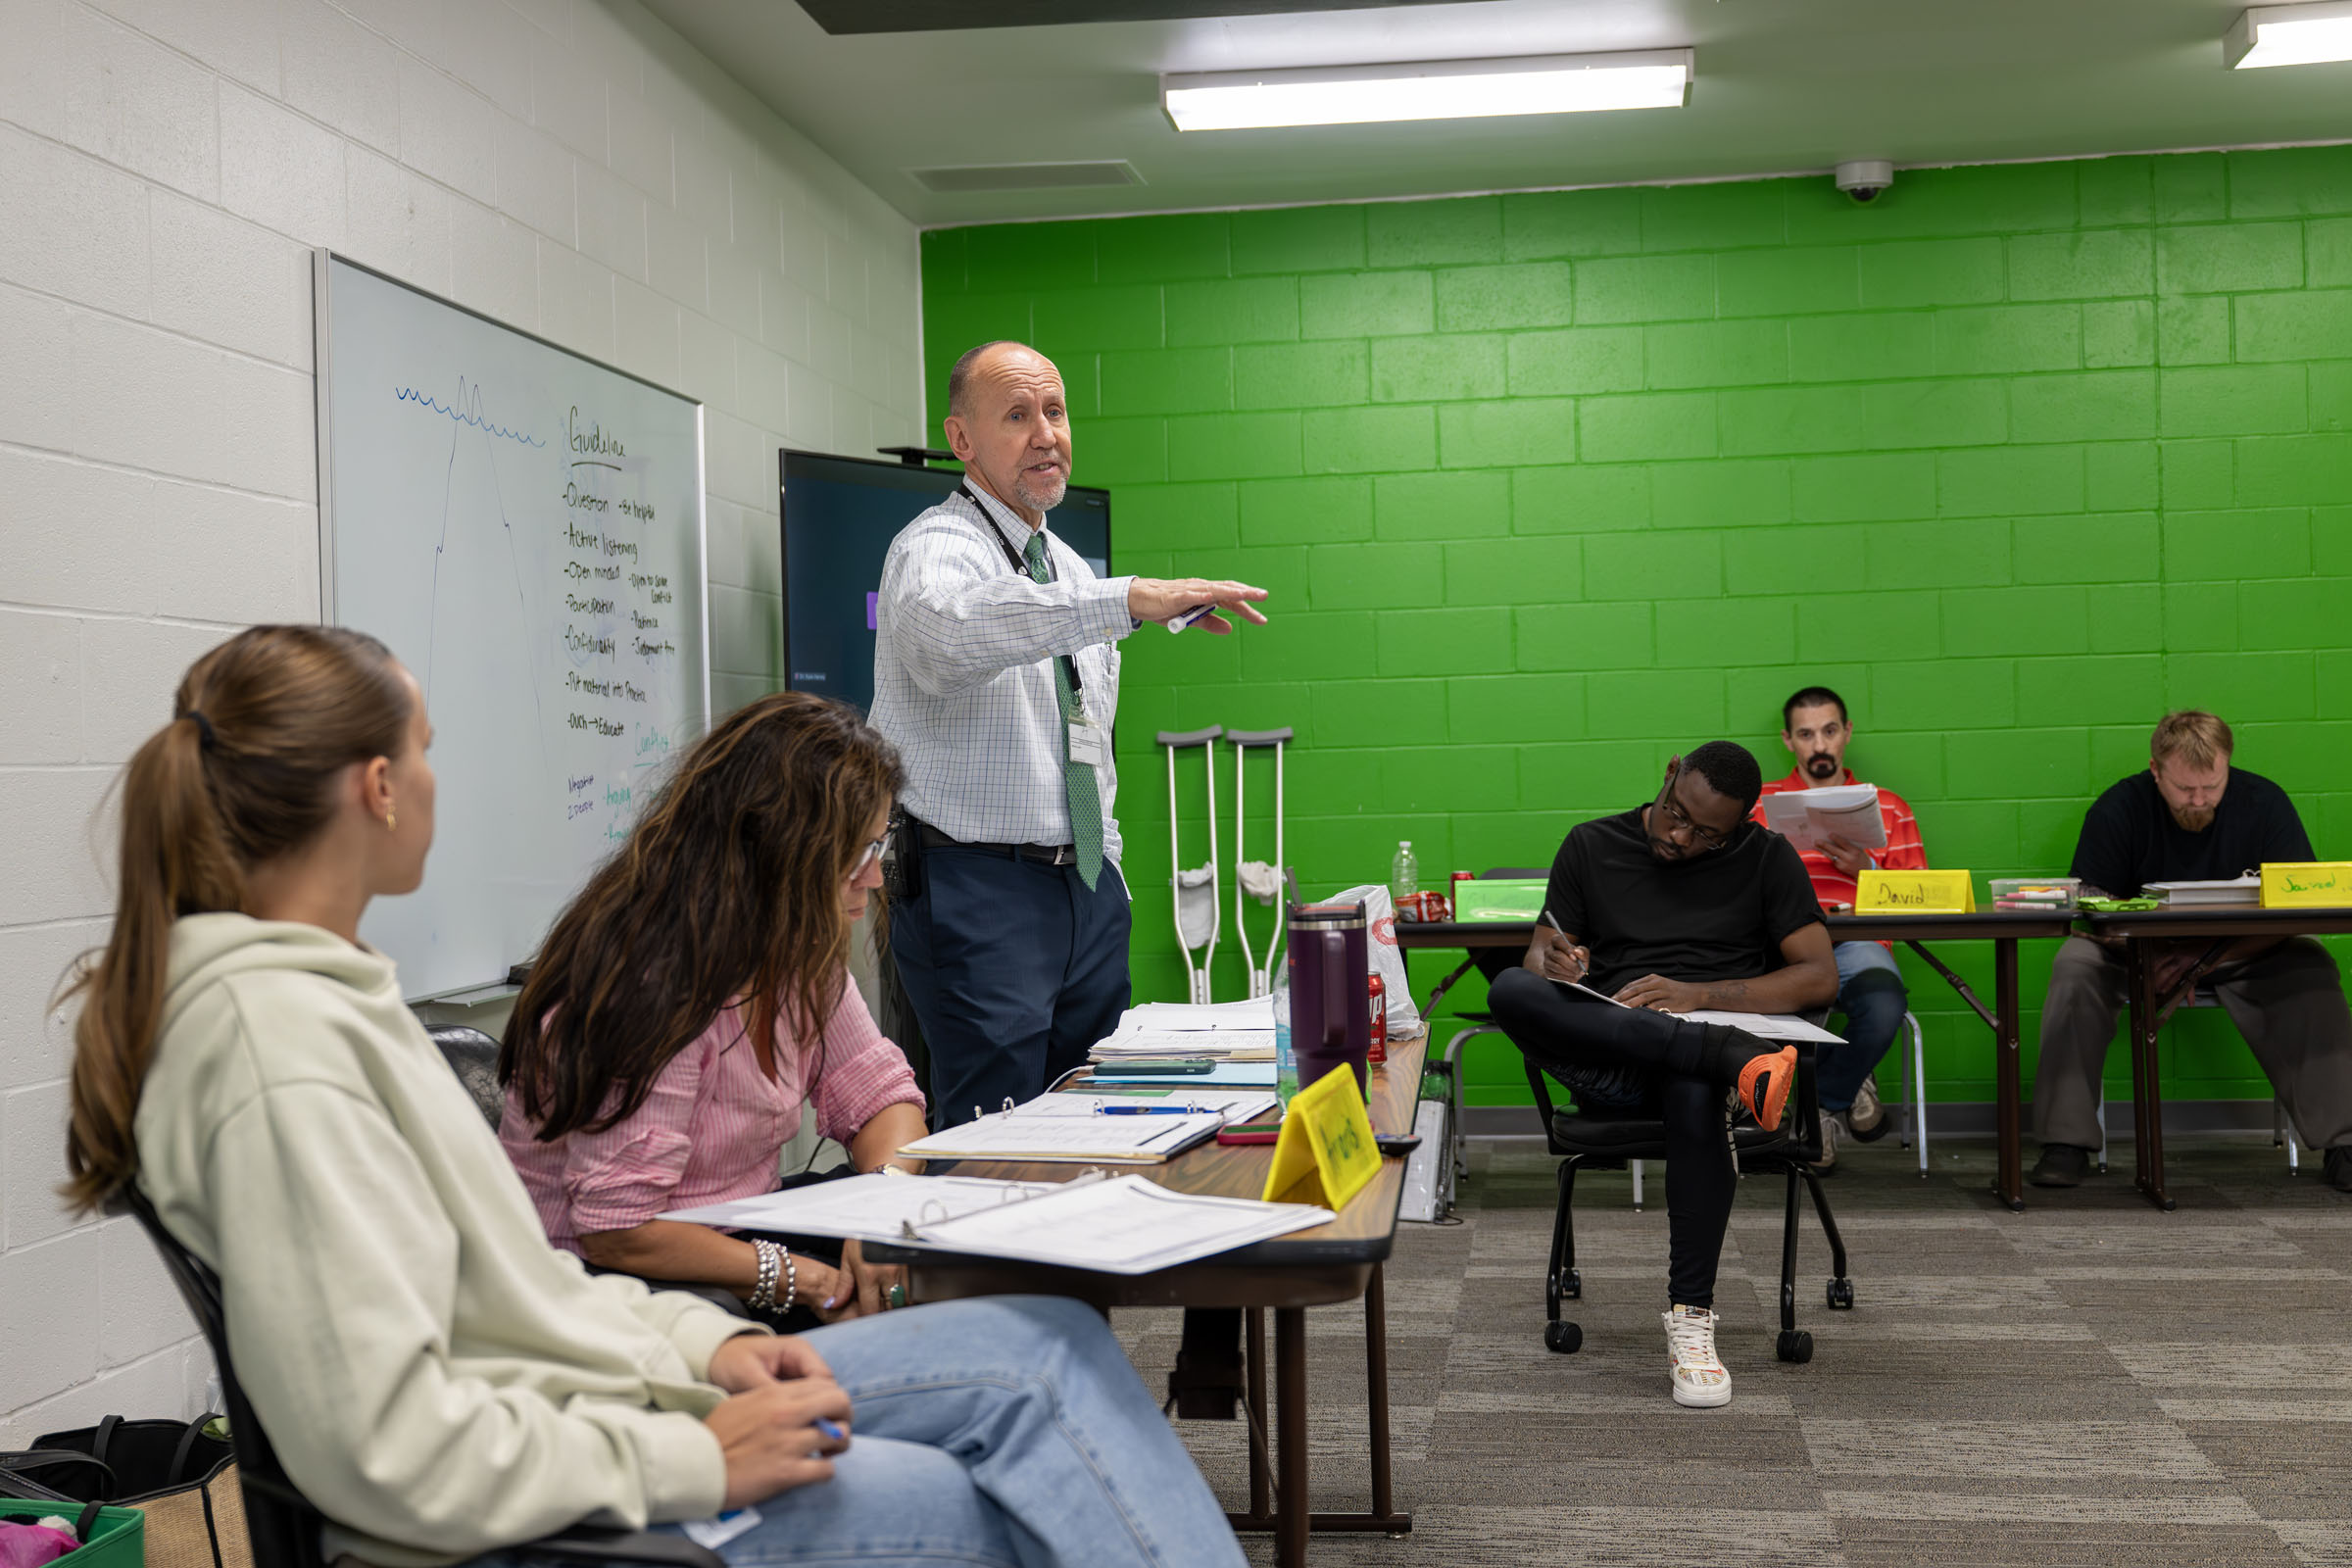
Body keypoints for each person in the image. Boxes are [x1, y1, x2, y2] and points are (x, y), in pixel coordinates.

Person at [61, 624, 1246, 1568]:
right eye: (424, 751)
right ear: (377, 788)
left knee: (1047, 1349)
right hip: (538, 1502)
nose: (433, 779)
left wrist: (710, 1348)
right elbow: (384, 1446)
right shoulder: (276, 1053)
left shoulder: (329, 1004)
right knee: (991, 1485)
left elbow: (521, 1297)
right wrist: (696, 1456)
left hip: (596, 1398)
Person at [870, 339, 1269, 1126]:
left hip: (1083, 885)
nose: (1046, 434)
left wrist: (1106, 873)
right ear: (962, 439)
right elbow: (951, 639)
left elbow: (1088, 740)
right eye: (1018, 416)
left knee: (1091, 1118)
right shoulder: (935, 548)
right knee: (998, 1135)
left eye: (1054, 411)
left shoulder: (1072, 571)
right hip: (977, 888)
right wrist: (1129, 599)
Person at [499, 693, 929, 1326]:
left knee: (934, 1247)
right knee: (892, 1306)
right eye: (858, 852)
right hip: (610, 1280)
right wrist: (808, 1280)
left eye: (878, 846)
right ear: (781, 848)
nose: (874, 877)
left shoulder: (791, 949)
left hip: (729, 1232)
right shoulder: (650, 987)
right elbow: (620, 1232)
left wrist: (884, 1207)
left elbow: (882, 1100)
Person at [1487, 742, 1837, 1408]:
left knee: (1691, 1081)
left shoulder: (1766, 858)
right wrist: (1555, 963)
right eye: (1677, 814)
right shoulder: (1591, 845)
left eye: (1707, 834)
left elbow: (1819, 976)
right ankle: (1722, 1053)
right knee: (1509, 986)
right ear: (1670, 773)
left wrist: (1698, 995)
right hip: (1615, 1058)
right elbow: (1537, 956)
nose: (1681, 837)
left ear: (1741, 824)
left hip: (1705, 1069)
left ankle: (1692, 1321)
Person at [2031, 710, 2352, 1193]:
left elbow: (2296, 911)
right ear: (2156, 771)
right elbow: (2092, 907)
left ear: (2228, 768)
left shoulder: (2265, 802)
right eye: (2184, 789)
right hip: (2141, 955)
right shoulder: (2119, 808)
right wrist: (2151, 956)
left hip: (2243, 954)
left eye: (2212, 786)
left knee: (2311, 967)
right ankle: (2065, 1141)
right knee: (2075, 966)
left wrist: (2200, 962)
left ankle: (2344, 1142)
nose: (2199, 800)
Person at [1749, 685, 1927, 1168]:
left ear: (1847, 732)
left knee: (1884, 1006)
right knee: (1745, 1008)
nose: (1819, 745)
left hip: (1857, 942)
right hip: (1779, 945)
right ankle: (1851, 1081)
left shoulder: (1890, 806)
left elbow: (1922, 900)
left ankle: (1821, 1107)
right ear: (1788, 740)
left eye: (1829, 731)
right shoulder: (1759, 805)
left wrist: (1866, 869)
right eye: (1806, 735)